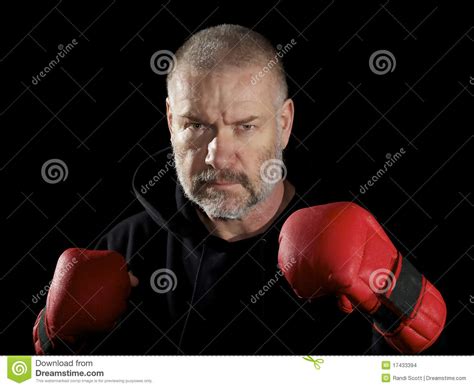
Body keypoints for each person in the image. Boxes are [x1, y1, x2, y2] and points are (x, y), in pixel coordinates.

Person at [33, 24, 446, 355]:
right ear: (170, 121)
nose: (217, 155)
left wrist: (401, 304)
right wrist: (55, 343)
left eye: (244, 126)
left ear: (283, 124)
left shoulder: (357, 240)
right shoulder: (126, 247)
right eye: (196, 125)